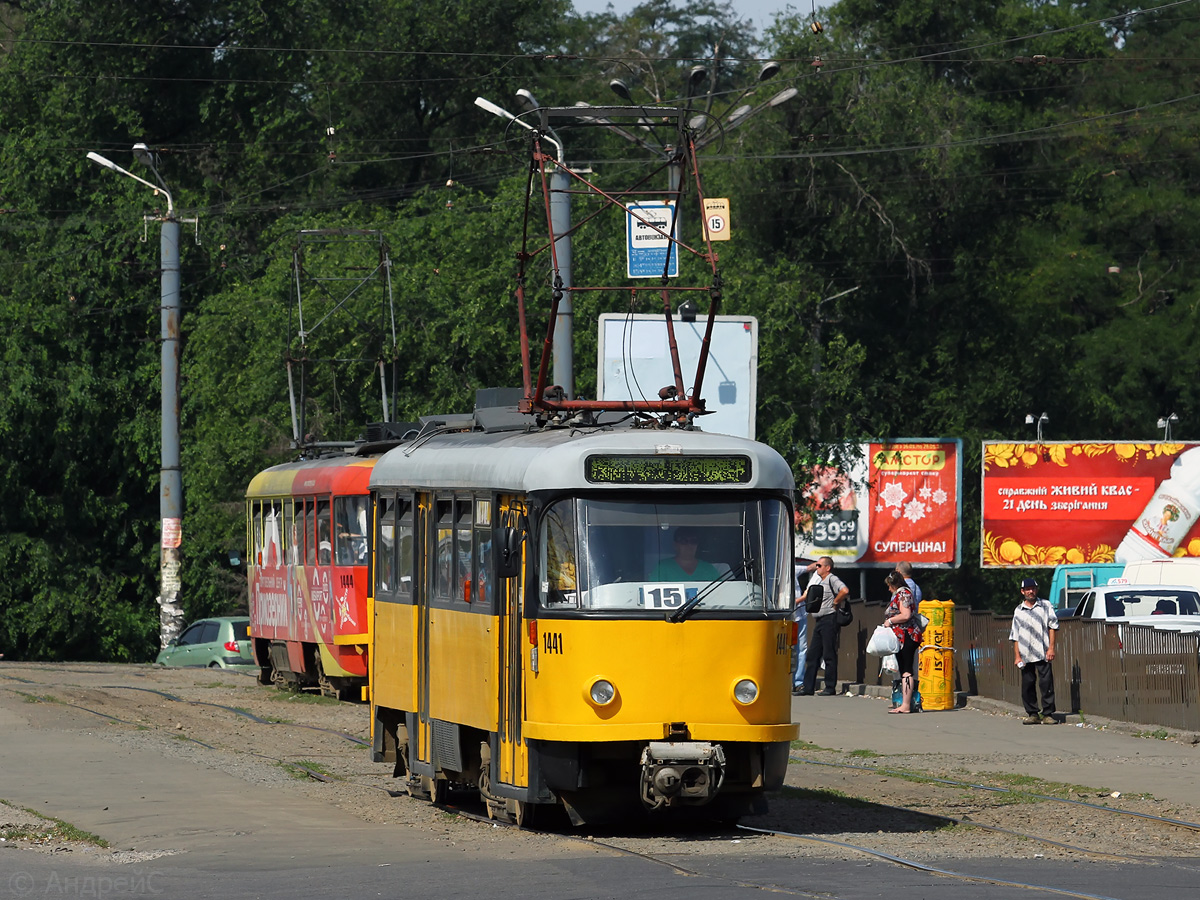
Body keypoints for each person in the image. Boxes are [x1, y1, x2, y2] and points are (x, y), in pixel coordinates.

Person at [1009, 577, 1059, 725]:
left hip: (1042, 651)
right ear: (1022, 591)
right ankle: (1032, 713)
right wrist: (1017, 656)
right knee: (1028, 684)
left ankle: (1048, 714)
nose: (1031, 591)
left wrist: (1051, 648)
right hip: (1025, 653)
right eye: (1028, 589)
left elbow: (1053, 627)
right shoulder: (1018, 610)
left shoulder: (1045, 606)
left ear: (1036, 589)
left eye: (1033, 588)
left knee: (1046, 683)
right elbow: (1015, 635)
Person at [799, 556, 850, 695]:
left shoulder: (831, 578)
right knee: (812, 655)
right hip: (819, 621)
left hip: (829, 619)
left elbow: (844, 590)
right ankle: (808, 687)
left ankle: (829, 687)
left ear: (827, 567)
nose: (817, 568)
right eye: (816, 565)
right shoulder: (820, 581)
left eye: (819, 565)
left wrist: (835, 602)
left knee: (829, 653)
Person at [882, 571, 923, 713]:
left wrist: (890, 620)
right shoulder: (904, 593)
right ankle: (905, 702)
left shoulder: (903, 594)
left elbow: (905, 615)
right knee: (904, 669)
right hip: (905, 635)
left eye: (889, 586)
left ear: (894, 584)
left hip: (907, 635)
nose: (888, 589)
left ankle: (905, 705)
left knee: (906, 670)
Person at [649, 527, 720, 581]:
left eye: (693, 541)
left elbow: (720, 592)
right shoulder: (663, 567)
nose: (689, 545)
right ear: (675, 545)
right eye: (684, 541)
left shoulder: (708, 568)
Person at [791, 557, 810, 695]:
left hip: (800, 616)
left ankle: (798, 682)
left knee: (801, 649)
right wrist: (803, 598)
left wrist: (820, 563)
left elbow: (809, 568)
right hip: (785, 617)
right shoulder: (770, 574)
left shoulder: (792, 569)